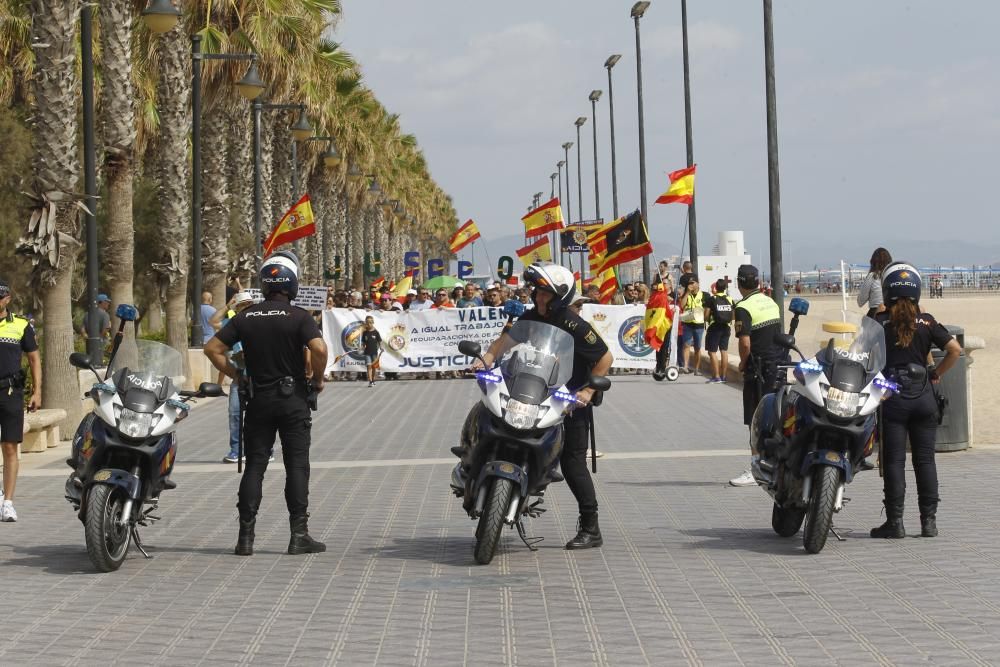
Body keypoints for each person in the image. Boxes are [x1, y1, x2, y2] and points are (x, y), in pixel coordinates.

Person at [469, 262, 613, 549]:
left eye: (545, 293)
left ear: (559, 297)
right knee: (487, 414)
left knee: (573, 464)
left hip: (568, 401)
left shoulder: (574, 324)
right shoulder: (532, 315)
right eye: (538, 292)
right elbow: (505, 341)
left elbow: (605, 358)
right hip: (534, 390)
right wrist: (486, 357)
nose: (539, 297)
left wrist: (586, 391)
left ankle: (590, 527)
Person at [204, 251, 328, 556]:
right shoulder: (299, 317)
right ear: (293, 286)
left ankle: (245, 538)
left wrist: (237, 375)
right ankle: (299, 535)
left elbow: (212, 348)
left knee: (255, 466)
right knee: (296, 465)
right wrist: (318, 379)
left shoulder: (247, 317)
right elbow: (320, 348)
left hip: (258, 399)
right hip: (293, 399)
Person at [871, 262, 960, 539]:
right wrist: (935, 374)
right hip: (923, 398)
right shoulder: (927, 321)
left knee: (894, 461)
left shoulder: (879, 322)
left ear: (887, 291)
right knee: (925, 461)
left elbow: (862, 356)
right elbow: (955, 350)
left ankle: (895, 522)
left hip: (893, 397)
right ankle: (929, 522)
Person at [729, 264, 782, 487]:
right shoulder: (770, 301)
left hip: (757, 369)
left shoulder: (743, 306)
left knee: (755, 420)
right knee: (775, 418)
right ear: (758, 282)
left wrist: (742, 362)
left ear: (739, 283)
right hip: (776, 365)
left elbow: (745, 342)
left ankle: (756, 467)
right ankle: (775, 465)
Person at [0, 280, 41, 522]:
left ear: (7, 299)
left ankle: (8, 503)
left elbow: (35, 360)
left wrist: (37, 392)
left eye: (1, 297)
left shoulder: (22, 325)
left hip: (10, 393)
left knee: (9, 447)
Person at [213, 291, 255, 464]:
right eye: (242, 305)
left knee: (259, 415)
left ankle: (264, 450)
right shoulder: (231, 324)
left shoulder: (259, 322)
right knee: (235, 414)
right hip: (239, 378)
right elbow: (214, 322)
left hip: (259, 376)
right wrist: (227, 306)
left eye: (248, 305)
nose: (245, 308)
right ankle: (237, 451)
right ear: (237, 308)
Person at [704, 279, 733, 383]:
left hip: (715, 327)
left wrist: (707, 318)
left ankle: (716, 376)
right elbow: (733, 316)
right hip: (726, 327)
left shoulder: (711, 299)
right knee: (724, 351)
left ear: (715, 287)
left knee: (712, 352)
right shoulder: (729, 299)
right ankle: (724, 376)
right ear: (725, 288)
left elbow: (706, 316)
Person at [679, 276, 708, 375]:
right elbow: (682, 306)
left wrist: (704, 318)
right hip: (687, 323)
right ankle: (685, 366)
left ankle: (696, 369)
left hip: (699, 324)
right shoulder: (686, 294)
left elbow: (707, 309)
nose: (691, 285)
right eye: (689, 283)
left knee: (697, 347)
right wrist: (687, 292)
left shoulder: (705, 295)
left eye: (693, 283)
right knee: (686, 345)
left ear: (698, 283)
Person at [857, 247, 892, 318]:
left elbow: (860, 301)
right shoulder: (892, 276)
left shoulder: (873, 276)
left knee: (864, 325)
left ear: (873, 262)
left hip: (876, 313)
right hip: (893, 313)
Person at [361, 316, 382, 387]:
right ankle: (370, 381)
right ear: (366, 323)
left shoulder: (376, 332)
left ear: (373, 323)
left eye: (370, 322)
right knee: (368, 366)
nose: (369, 324)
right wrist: (362, 347)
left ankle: (373, 379)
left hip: (374, 353)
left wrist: (381, 347)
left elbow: (379, 341)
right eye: (367, 322)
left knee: (374, 367)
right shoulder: (364, 333)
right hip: (367, 352)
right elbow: (363, 343)